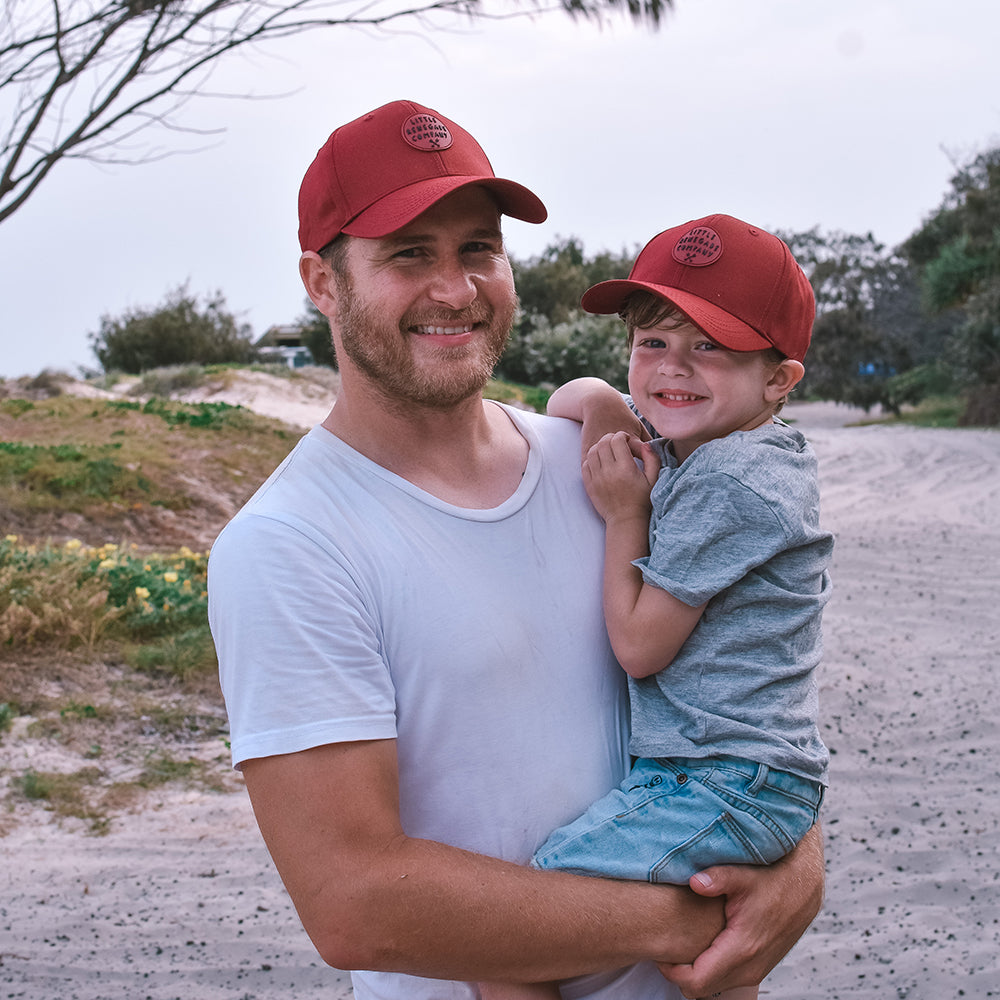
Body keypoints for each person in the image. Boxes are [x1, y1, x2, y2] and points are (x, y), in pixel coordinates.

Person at [207, 101, 826, 1000]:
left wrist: (798, 865)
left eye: (478, 248)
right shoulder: (291, 546)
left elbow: (749, 695)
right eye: (409, 253)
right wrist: (702, 917)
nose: (456, 288)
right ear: (322, 281)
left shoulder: (603, 467)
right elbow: (354, 904)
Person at [480, 215, 833, 1000]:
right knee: (701, 969)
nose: (674, 369)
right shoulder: (713, 444)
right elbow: (570, 393)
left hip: (721, 779)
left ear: (779, 380)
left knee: (507, 936)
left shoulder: (729, 482)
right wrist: (610, 407)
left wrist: (623, 514)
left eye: (709, 345)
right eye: (651, 343)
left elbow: (641, 647)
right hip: (737, 774)